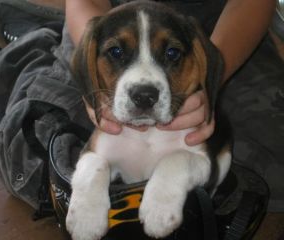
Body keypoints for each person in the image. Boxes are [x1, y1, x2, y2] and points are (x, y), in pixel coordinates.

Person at [65, 0, 284, 212]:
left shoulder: (201, 52)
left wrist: (207, 86)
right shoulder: (94, 45)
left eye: (171, 53)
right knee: (59, 145)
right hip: (106, 16)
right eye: (117, 53)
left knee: (270, 165)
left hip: (223, 20)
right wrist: (93, 85)